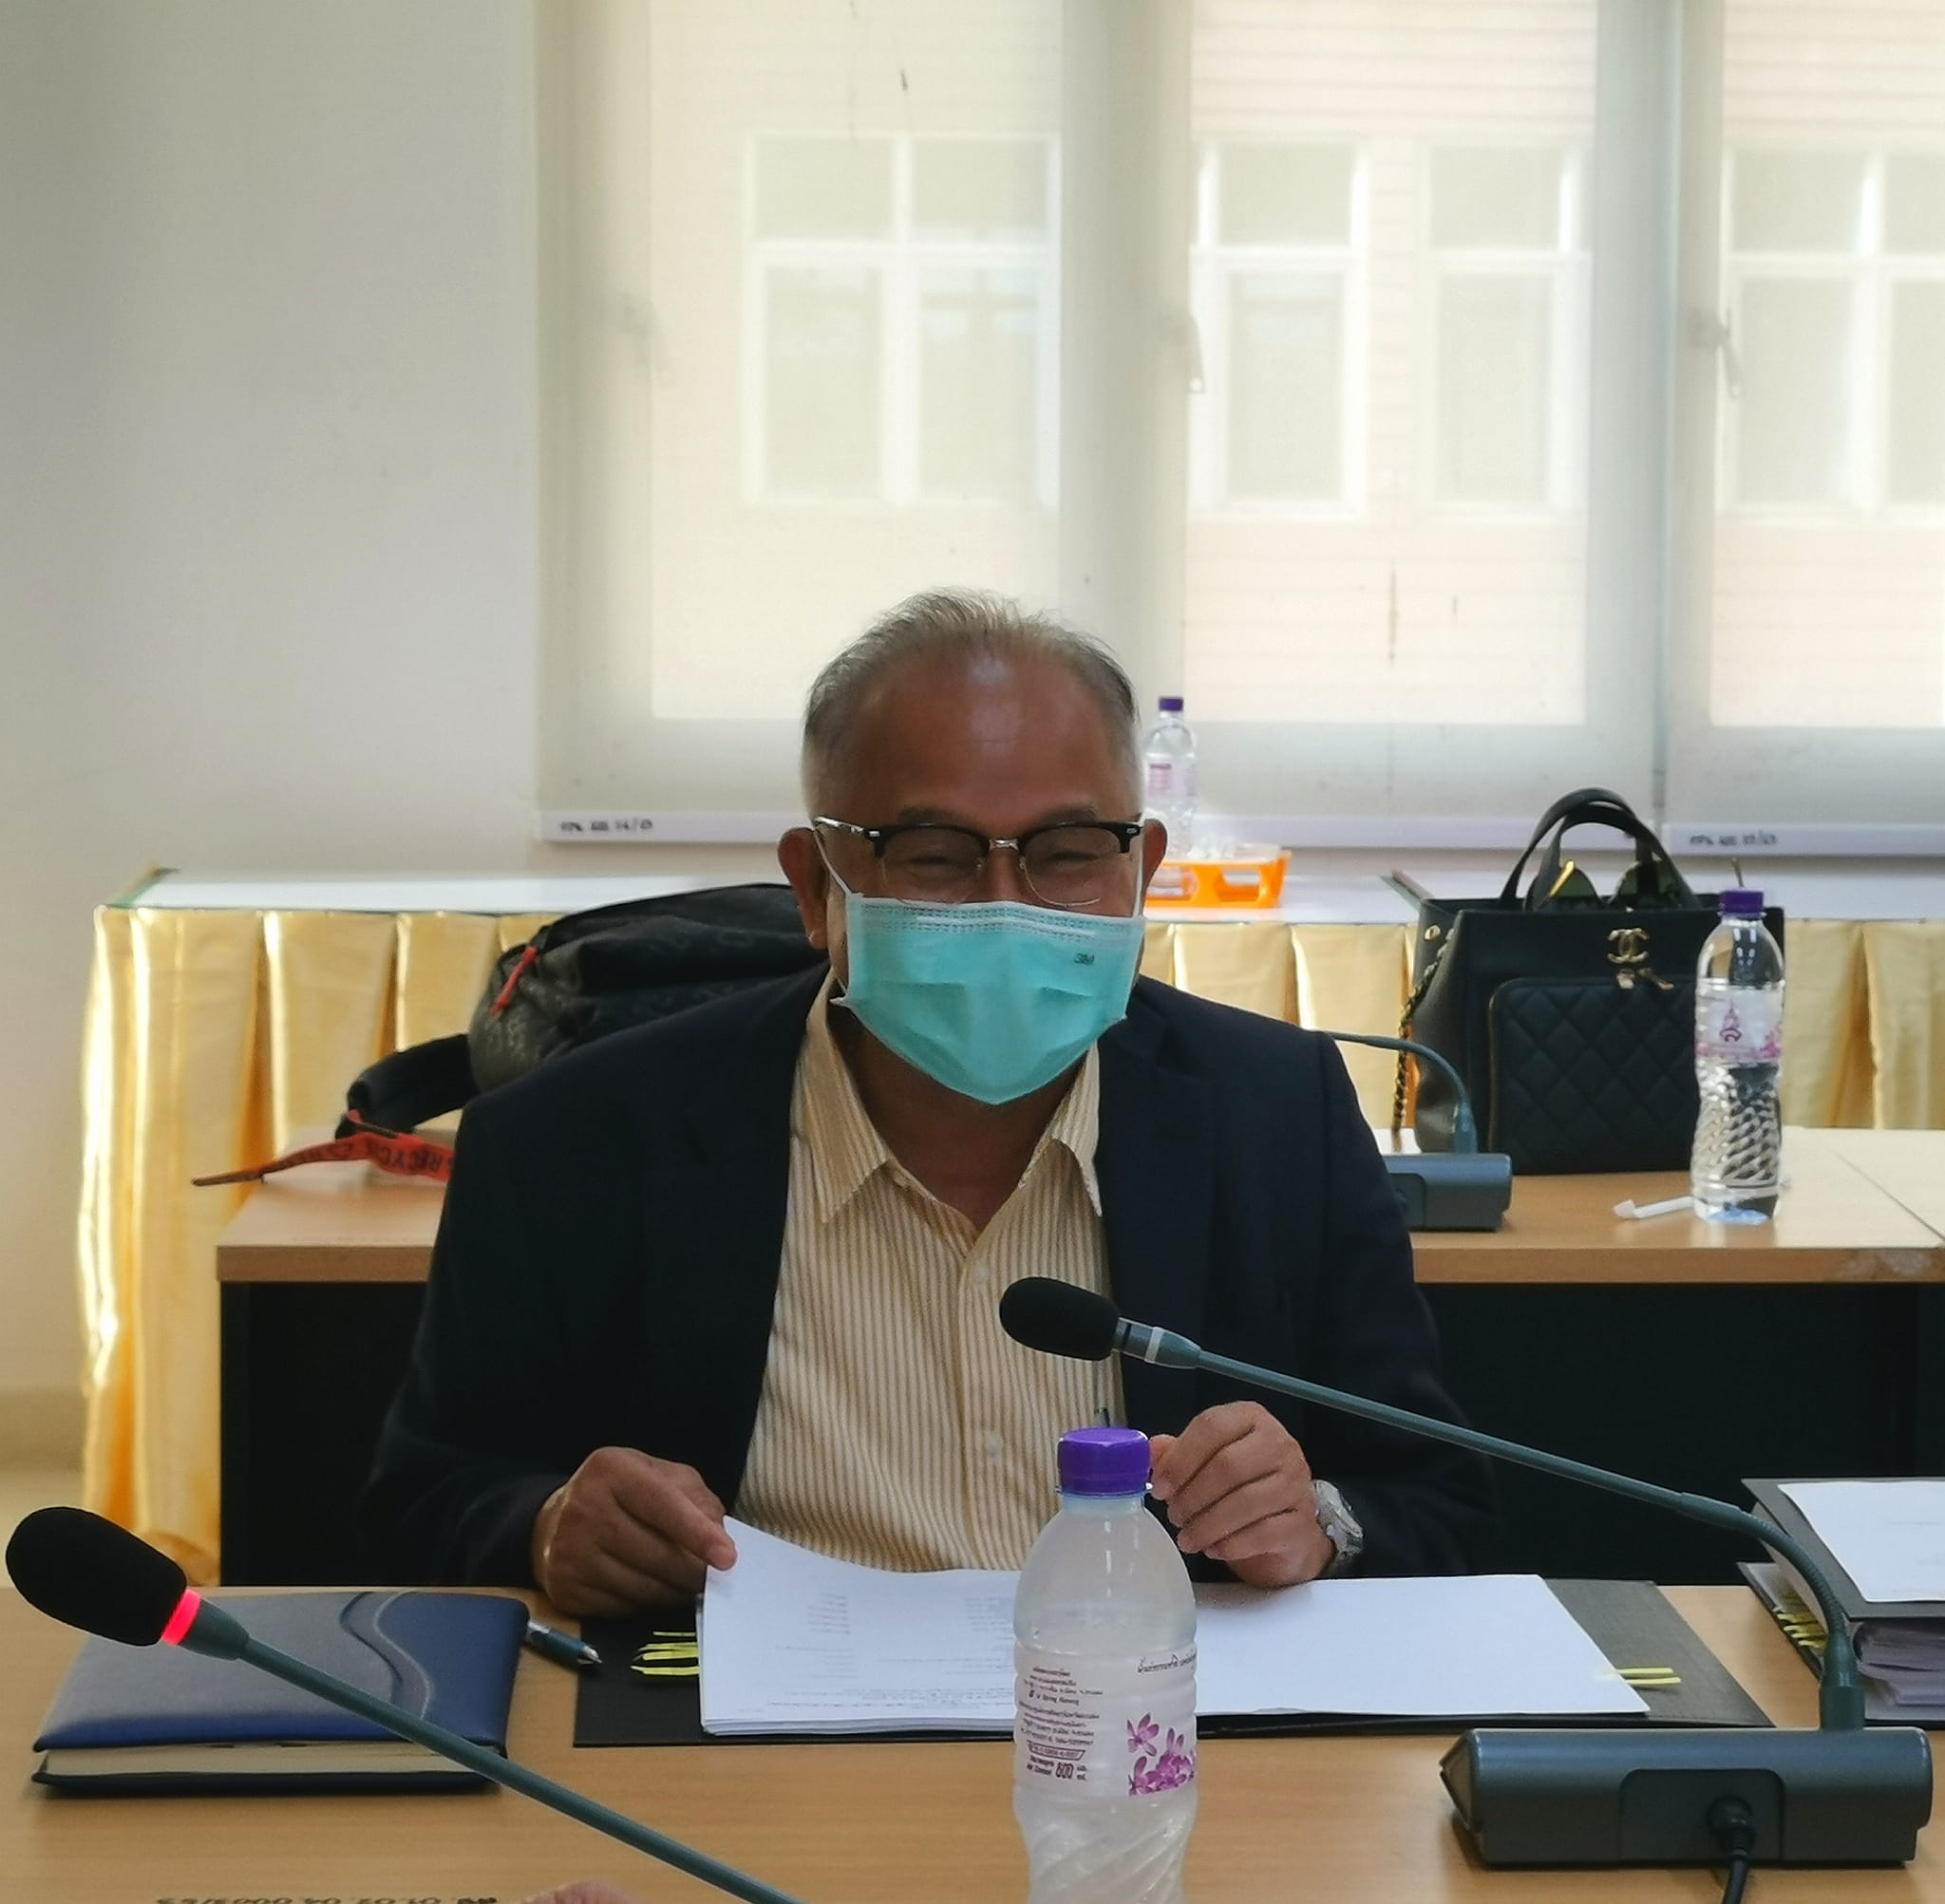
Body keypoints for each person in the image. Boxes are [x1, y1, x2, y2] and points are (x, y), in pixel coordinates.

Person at [362, 590, 1493, 1612]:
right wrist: (549, 1526)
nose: (1004, 904)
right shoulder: (574, 1142)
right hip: (746, 1741)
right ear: (816, 887)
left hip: (1153, 1726)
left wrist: (1318, 1525)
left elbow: (1439, 1499)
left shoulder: (1276, 1115)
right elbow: (424, 1498)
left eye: (1066, 852)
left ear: (1140, 868)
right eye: (935, 855)